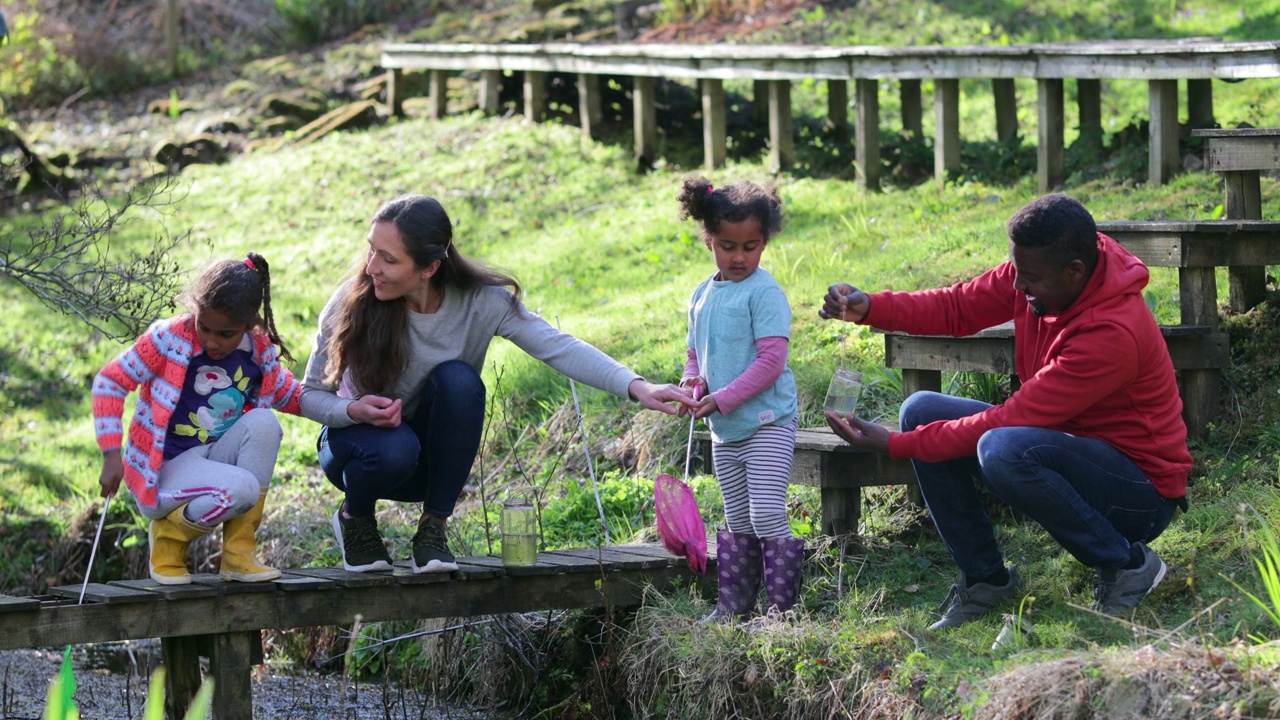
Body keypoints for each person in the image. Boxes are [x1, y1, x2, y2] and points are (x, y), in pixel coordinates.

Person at [820, 193, 1191, 629]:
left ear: (1074, 272)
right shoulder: (1043, 270)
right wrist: (874, 308)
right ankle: (986, 581)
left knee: (1001, 447)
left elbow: (1012, 420)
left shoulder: (1112, 332)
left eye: (1028, 278)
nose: (1016, 288)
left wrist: (898, 446)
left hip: (1138, 492)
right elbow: (958, 307)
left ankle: (1128, 564)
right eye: (1016, 271)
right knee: (921, 410)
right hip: (1067, 447)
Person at [302, 194, 697, 575]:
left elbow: (557, 347)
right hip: (357, 449)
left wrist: (636, 386)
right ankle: (354, 517)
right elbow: (310, 396)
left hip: (426, 458)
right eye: (371, 250)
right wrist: (351, 410)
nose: (372, 266)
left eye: (388, 259)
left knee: (459, 381)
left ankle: (433, 528)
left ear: (429, 268)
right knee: (395, 448)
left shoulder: (481, 301)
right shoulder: (352, 300)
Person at [93, 253, 302, 586]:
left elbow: (292, 396)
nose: (212, 341)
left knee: (264, 422)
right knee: (242, 488)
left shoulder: (258, 351)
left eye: (225, 333)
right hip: (162, 473)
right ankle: (167, 539)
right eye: (204, 326)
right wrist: (110, 454)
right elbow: (110, 382)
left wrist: (350, 410)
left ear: (249, 325)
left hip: (208, 461)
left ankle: (238, 555)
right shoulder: (168, 339)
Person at [675, 175, 802, 620]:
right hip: (725, 431)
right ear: (709, 240)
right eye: (728, 246)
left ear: (764, 242)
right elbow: (696, 354)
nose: (739, 256)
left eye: (750, 247)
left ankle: (782, 612)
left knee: (766, 514)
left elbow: (771, 362)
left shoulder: (764, 293)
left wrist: (722, 397)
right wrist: (694, 384)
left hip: (767, 423)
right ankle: (734, 606)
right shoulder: (702, 294)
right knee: (739, 521)